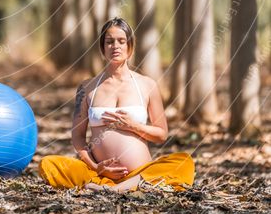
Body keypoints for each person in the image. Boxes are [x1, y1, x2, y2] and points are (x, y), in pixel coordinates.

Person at [39, 17, 195, 193]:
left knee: (184, 162)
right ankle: (108, 185)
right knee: (48, 164)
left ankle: (119, 188)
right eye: (109, 42)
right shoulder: (87, 88)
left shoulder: (147, 85)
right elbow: (78, 137)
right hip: (98, 173)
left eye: (122, 41)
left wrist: (133, 126)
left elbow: (161, 134)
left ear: (130, 46)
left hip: (140, 172)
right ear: (102, 47)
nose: (115, 46)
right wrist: (95, 166)